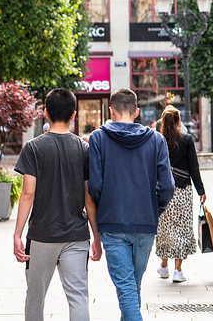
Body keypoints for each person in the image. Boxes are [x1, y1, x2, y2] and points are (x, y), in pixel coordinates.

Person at [13, 88, 101, 321]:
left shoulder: (33, 148)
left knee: (35, 296)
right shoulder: (84, 148)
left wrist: (17, 234)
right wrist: (97, 237)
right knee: (78, 297)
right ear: (74, 115)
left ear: (45, 113)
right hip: (76, 235)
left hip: (42, 235)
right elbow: (88, 197)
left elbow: (27, 194)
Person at [88, 89, 175, 321]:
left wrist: (107, 203)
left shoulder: (98, 138)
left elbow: (94, 185)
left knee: (127, 289)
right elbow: (167, 186)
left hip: (113, 221)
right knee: (132, 288)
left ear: (110, 111)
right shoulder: (157, 140)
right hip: (145, 222)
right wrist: (154, 208)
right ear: (136, 112)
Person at [155, 107, 206, 283]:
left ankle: (163, 266)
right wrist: (201, 190)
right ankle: (178, 270)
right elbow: (194, 167)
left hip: (163, 192)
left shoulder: (158, 141)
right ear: (178, 122)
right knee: (182, 229)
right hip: (183, 190)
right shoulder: (186, 140)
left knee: (164, 230)